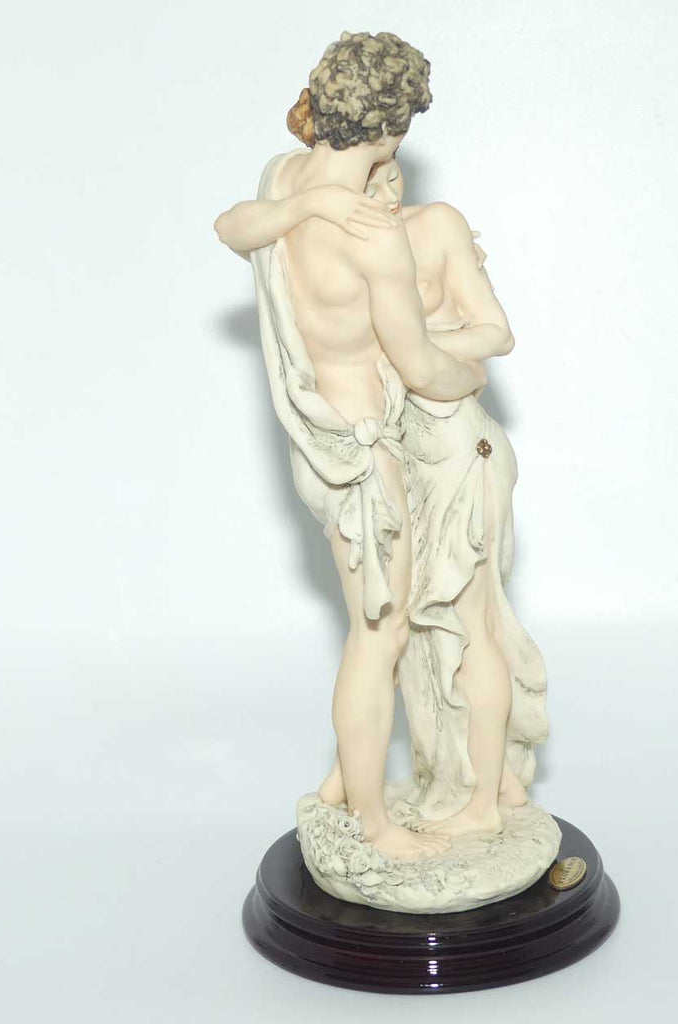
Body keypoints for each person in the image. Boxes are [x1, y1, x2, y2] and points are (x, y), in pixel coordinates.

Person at [222, 151, 550, 839]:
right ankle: (462, 780)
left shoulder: (434, 225)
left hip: (459, 446)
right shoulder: (357, 235)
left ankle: (489, 801)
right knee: (413, 628)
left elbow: (494, 334)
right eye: (367, 187)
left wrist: (427, 349)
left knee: (471, 625)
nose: (385, 193)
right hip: (412, 451)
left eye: (393, 174)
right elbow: (235, 226)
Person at [215, 32, 485, 860]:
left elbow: (231, 227)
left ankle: (342, 783)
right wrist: (475, 366)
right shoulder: (372, 234)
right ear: (394, 128)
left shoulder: (284, 180)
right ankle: (373, 822)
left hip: (313, 439)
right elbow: (422, 366)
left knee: (375, 623)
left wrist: (307, 206)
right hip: (362, 454)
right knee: (382, 633)